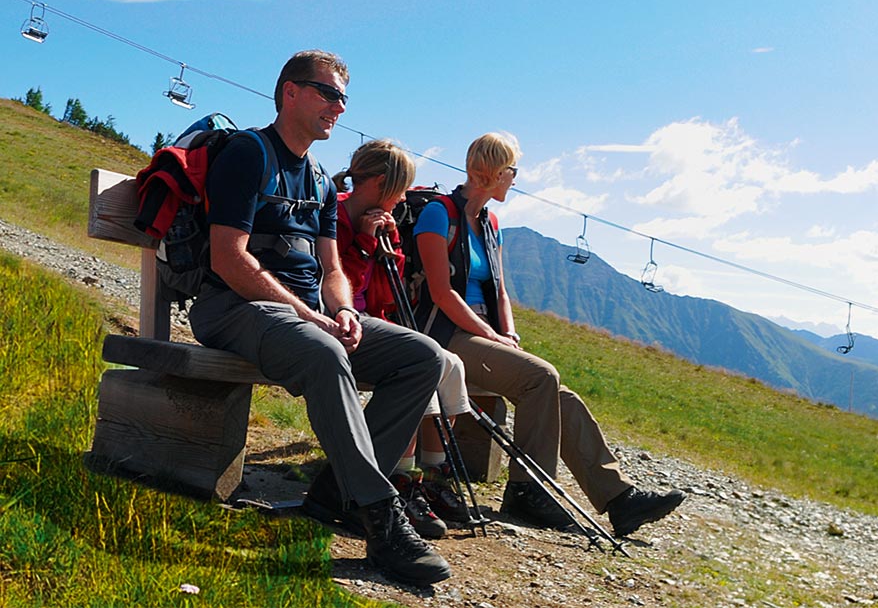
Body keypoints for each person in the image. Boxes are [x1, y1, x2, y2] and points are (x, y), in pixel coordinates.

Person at [187, 51, 451, 586]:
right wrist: (311, 316)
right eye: (327, 93)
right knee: (326, 351)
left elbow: (332, 266)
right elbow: (228, 258)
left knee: (424, 357)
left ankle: (336, 491)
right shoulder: (248, 154)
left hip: (304, 317)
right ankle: (380, 518)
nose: (338, 107)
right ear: (289, 92)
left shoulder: (322, 181)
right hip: (235, 307)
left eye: (343, 98)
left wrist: (346, 309)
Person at [414, 131, 684, 538]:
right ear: (489, 171)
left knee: (559, 397)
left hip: (483, 335)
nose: (515, 178)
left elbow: (501, 289)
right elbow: (441, 292)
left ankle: (619, 499)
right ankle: (527, 492)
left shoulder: (490, 223)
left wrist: (510, 333)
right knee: (541, 377)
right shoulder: (439, 214)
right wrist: (491, 333)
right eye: (511, 170)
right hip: (445, 334)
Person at [333, 138, 475, 536]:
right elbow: (337, 281)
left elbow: (388, 291)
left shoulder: (380, 222)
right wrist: (363, 243)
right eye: (399, 191)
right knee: (419, 364)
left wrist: (390, 246)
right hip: (342, 320)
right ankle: (400, 479)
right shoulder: (337, 216)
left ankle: (430, 475)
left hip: (371, 319)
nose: (401, 200)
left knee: (449, 363)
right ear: (381, 184)